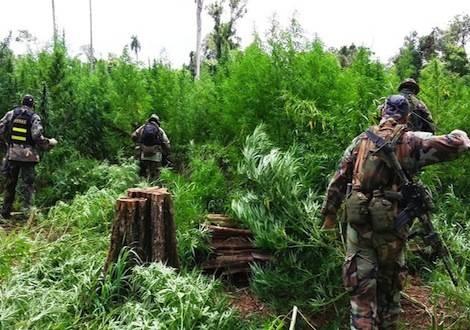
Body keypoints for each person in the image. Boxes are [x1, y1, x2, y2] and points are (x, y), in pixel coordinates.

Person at [321, 95, 469, 330]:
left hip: (359, 229)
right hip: (391, 229)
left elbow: (338, 180)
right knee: (389, 294)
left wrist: (329, 216)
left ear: (382, 113)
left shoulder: (359, 142)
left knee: (361, 297)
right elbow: (459, 144)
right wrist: (461, 132)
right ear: (407, 117)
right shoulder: (412, 142)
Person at [0, 95, 57, 221]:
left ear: (22, 103)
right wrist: (49, 143)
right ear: (32, 105)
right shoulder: (34, 117)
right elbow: (37, 136)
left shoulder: (11, 114)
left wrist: (6, 145)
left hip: (13, 154)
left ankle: (5, 212)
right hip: (28, 157)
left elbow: (0, 129)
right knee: (28, 185)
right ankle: (27, 214)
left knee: (10, 184)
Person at [132, 114, 170, 180]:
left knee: (144, 174)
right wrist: (167, 153)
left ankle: (143, 186)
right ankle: (155, 187)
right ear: (158, 121)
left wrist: (139, 143)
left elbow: (133, 136)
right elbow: (166, 143)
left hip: (144, 155)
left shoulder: (142, 128)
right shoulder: (159, 130)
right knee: (156, 175)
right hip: (156, 156)